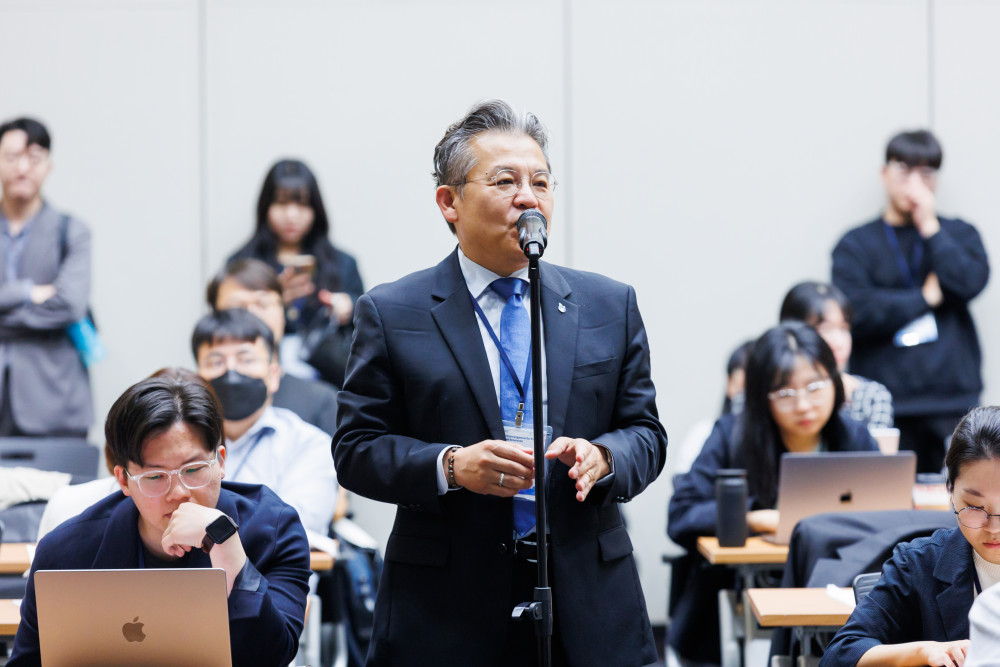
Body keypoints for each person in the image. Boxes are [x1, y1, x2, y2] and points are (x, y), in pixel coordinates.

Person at [333, 99, 667, 667]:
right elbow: (356, 449)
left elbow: (646, 433)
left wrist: (604, 457)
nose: (528, 197)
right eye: (505, 181)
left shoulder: (609, 304)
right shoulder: (392, 311)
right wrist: (451, 466)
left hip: (587, 598)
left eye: (541, 182)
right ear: (450, 202)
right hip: (445, 605)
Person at [7, 374, 311, 667]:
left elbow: (274, 656)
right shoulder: (66, 552)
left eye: (193, 470)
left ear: (220, 461)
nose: (178, 492)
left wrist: (227, 547)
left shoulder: (274, 530)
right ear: (123, 481)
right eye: (155, 477)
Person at [667, 322, 878, 664]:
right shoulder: (731, 436)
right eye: (784, 393)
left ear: (835, 382)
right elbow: (681, 515)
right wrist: (752, 519)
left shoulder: (855, 437)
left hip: (840, 590)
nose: (803, 405)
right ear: (761, 396)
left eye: (815, 386)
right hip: (738, 599)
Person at [832, 129, 989, 473]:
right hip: (886, 404)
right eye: (904, 170)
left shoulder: (958, 233)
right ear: (883, 172)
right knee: (882, 492)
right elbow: (858, 312)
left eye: (927, 173)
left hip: (951, 400)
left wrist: (929, 226)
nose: (915, 183)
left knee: (961, 493)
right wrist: (925, 297)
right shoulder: (855, 244)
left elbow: (970, 282)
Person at [821, 405, 1000, 667]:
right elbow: (840, 655)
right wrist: (923, 652)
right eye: (975, 507)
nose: (993, 527)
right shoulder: (918, 565)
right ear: (950, 491)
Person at [192, 308, 337, 542]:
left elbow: (295, 526)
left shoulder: (308, 444)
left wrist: (204, 527)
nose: (231, 371)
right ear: (197, 376)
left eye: (246, 359)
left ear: (273, 375)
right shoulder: (180, 443)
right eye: (216, 361)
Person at [229, 159, 363, 386]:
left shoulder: (342, 263)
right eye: (281, 203)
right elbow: (227, 324)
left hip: (329, 380)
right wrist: (270, 302)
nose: (291, 215)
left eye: (302, 204)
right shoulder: (242, 264)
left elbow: (366, 325)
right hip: (260, 378)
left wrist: (347, 308)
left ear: (316, 210)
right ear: (266, 207)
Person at [0, 117, 92, 436]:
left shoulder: (72, 231)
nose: (23, 168)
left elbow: (70, 305)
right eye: (12, 157)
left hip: (54, 399)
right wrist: (26, 292)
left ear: (48, 166)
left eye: (34, 158)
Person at [207, 257, 338, 436]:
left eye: (263, 304)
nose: (252, 316)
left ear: (282, 313)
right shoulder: (195, 400)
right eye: (236, 307)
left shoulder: (321, 401)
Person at [779, 281, 894, 429]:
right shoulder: (771, 394)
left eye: (844, 328)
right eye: (824, 329)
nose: (839, 342)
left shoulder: (870, 396)